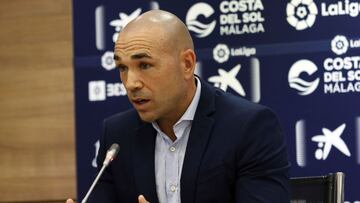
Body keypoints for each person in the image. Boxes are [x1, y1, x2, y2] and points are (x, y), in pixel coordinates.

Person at [67, 9, 290, 203]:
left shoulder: (248, 128)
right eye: (123, 68)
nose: (131, 83)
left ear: (187, 64)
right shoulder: (117, 135)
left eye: (144, 65)